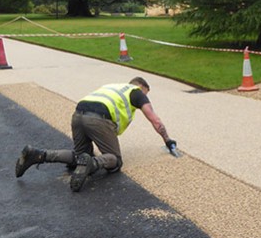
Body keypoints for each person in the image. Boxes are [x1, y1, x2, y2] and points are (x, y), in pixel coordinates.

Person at [15, 77, 177, 192]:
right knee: (114, 159)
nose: (145, 97)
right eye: (146, 94)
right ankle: (91, 163)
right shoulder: (136, 92)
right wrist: (168, 140)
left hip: (78, 114)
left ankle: (38, 155)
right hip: (99, 119)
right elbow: (155, 121)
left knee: (79, 156)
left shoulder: (112, 86)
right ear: (141, 86)